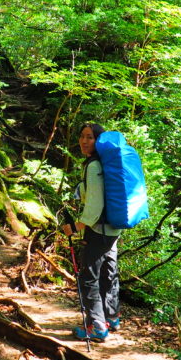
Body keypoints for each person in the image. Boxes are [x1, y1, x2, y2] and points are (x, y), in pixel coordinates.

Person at [62, 122, 122, 342]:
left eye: (90, 137)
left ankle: (97, 327)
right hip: (112, 228)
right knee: (109, 272)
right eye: (82, 136)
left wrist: (77, 227)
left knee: (88, 277)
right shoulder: (102, 164)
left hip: (99, 230)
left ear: (99, 141)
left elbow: (95, 206)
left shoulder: (95, 166)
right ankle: (111, 316)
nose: (84, 141)